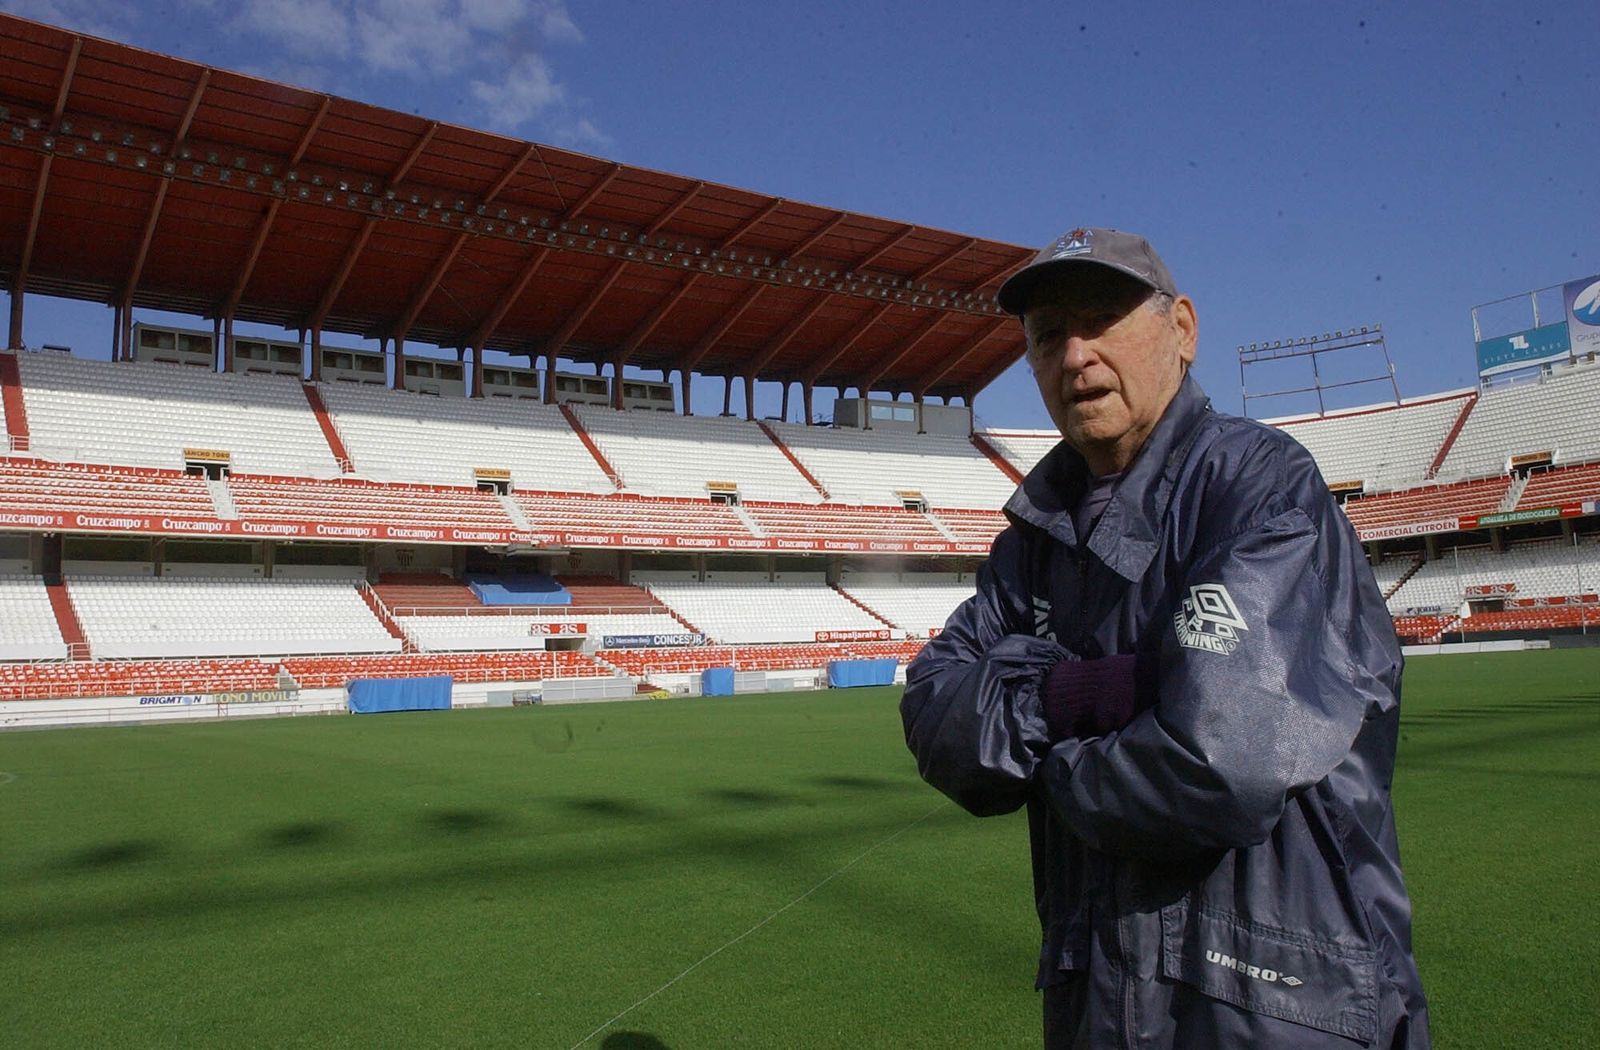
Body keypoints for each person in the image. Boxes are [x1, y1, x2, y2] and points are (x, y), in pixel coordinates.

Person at [900, 227, 1430, 1048]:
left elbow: (1217, 761)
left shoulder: (1260, 487)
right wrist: (1075, 693)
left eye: (1100, 319)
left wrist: (1048, 766)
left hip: (1274, 1003)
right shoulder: (1029, 543)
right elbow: (936, 716)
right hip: (1094, 1001)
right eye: (1047, 338)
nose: (1074, 356)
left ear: (1182, 329)